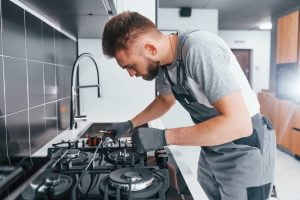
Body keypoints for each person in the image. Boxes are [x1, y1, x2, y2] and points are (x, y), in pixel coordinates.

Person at [102, 11, 276, 200]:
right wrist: (130, 124)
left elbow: (239, 125)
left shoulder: (199, 49)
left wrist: (164, 136)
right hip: (213, 145)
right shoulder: (162, 64)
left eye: (130, 65)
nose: (131, 73)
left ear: (150, 49)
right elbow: (165, 99)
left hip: (244, 146)